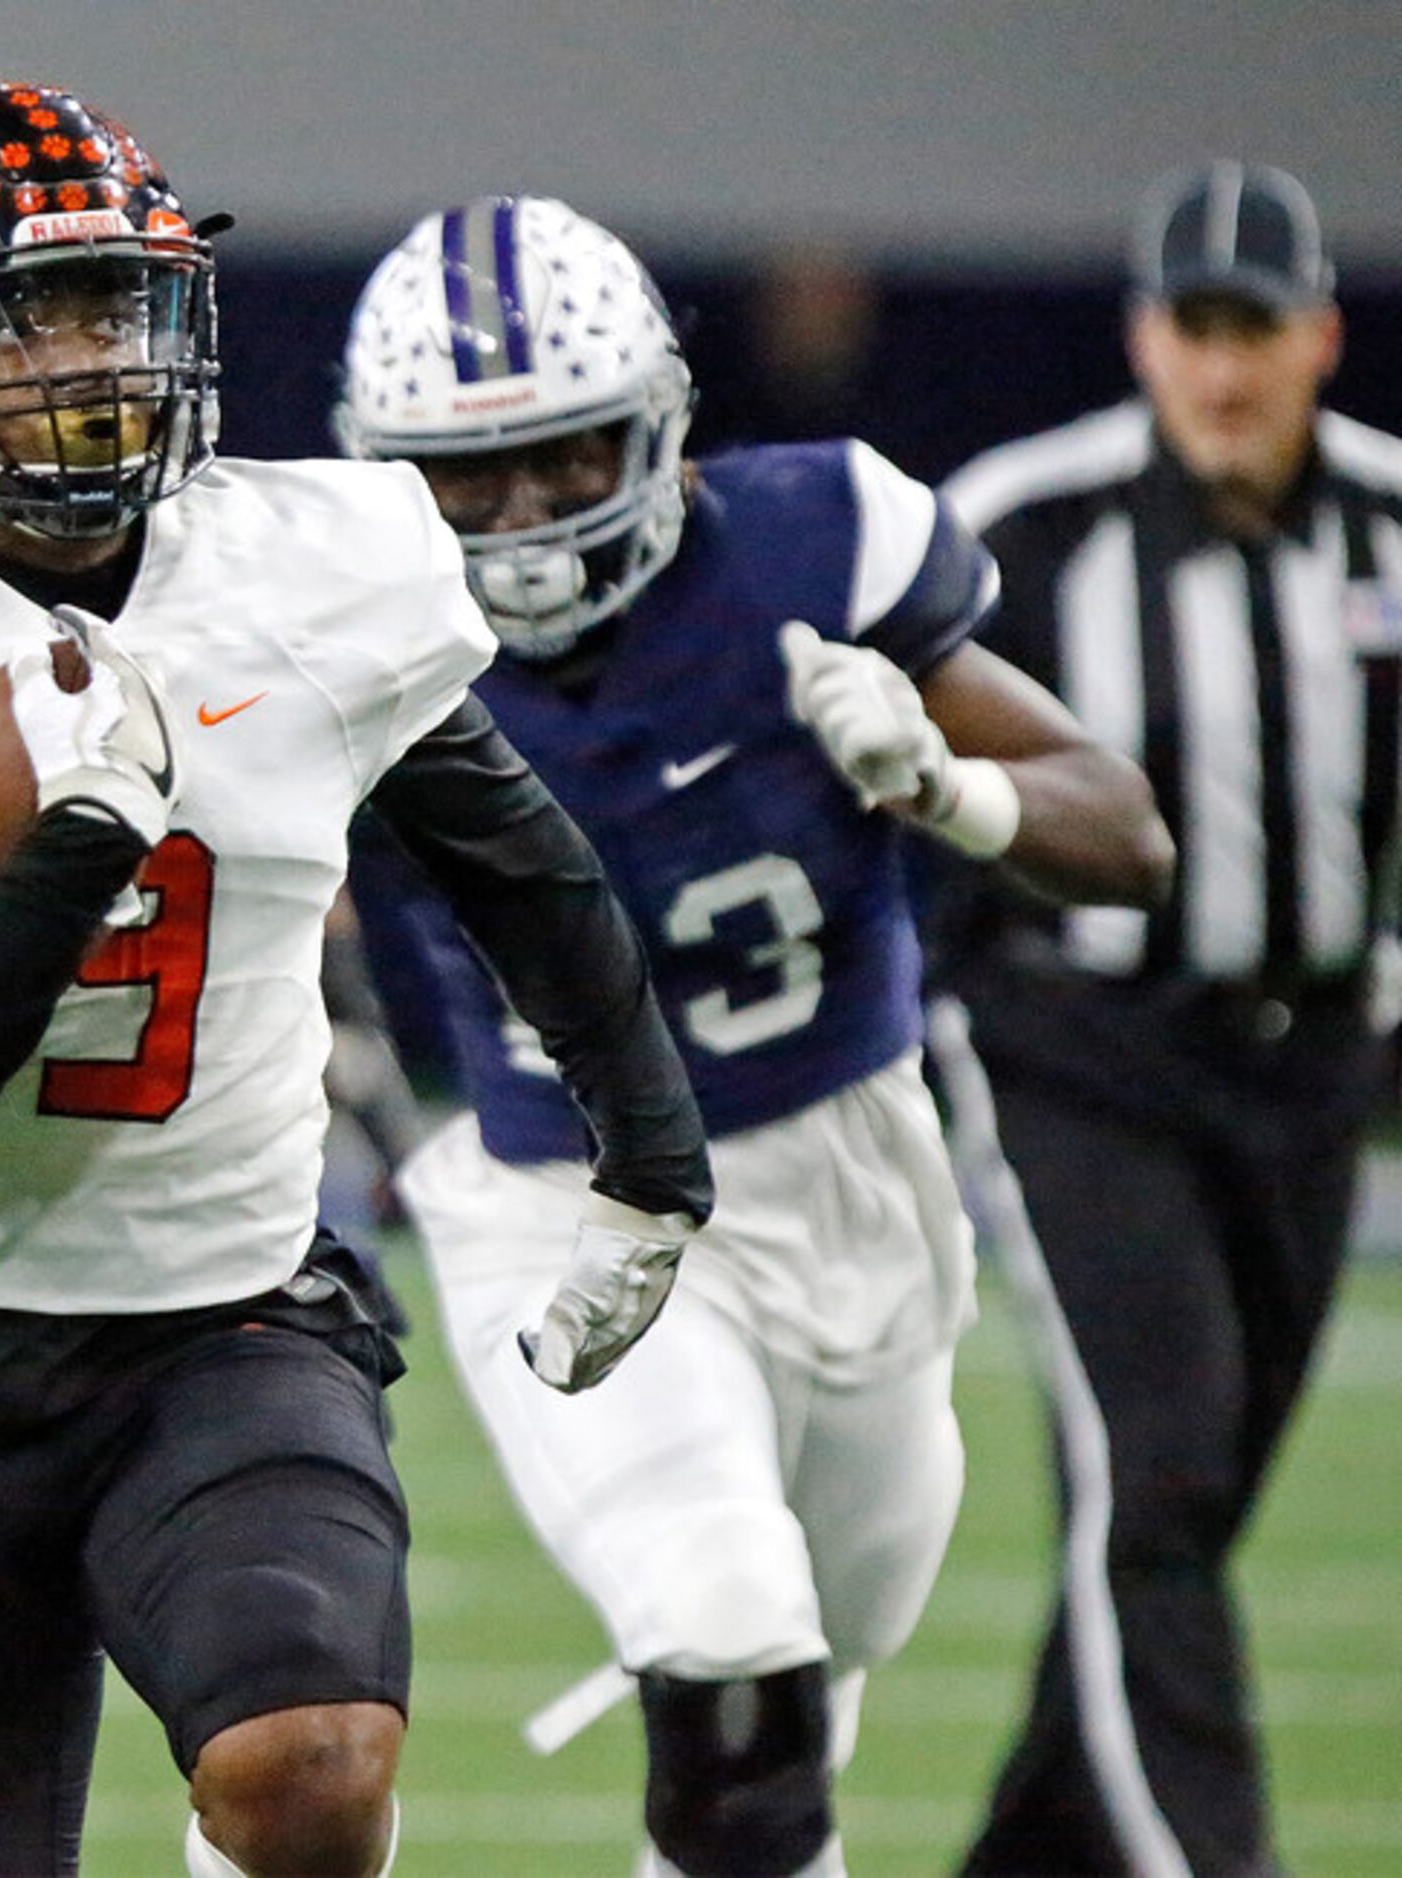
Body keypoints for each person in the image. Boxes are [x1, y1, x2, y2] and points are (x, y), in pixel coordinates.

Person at [0, 84, 714, 1878]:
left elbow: (518, 861)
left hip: (232, 1318)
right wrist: (75, 839)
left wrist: (652, 1157)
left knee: (313, 1760)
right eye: (17, 318)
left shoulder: (316, 563)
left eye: (108, 307)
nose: (81, 364)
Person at [331, 195, 1173, 1878]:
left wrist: (956, 786)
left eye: (565, 458)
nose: (519, 518)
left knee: (812, 1681)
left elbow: (1129, 835)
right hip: (560, 1206)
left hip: (855, 1178)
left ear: (657, 425)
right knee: (726, 1616)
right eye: (461, 479)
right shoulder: (346, 624)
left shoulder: (816, 542)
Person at [931, 160, 1401, 1878]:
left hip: (1314, 1064)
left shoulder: (1391, 525)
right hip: (1080, 1057)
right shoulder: (1023, 524)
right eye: (1193, 329)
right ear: (1142, 337)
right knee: (1160, 1478)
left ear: (1319, 338)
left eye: (1254, 331)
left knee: (1182, 1510)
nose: (1222, 369)